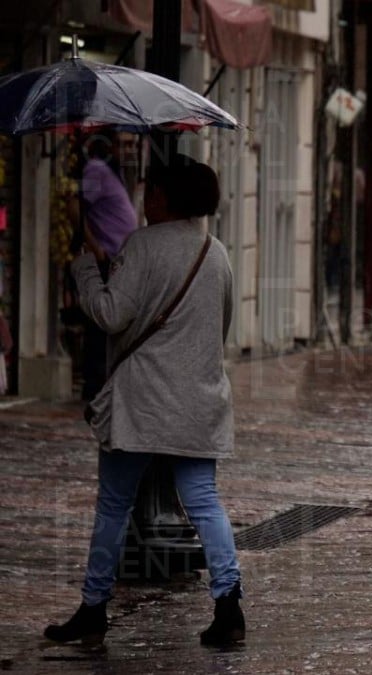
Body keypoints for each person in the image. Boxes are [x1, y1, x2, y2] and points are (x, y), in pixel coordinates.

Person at [45, 158, 245, 649]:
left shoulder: (142, 245)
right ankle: (229, 604)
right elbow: (220, 327)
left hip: (139, 406)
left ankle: (93, 608)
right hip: (198, 401)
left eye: (149, 191)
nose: (144, 199)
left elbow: (111, 315)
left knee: (114, 505)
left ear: (163, 197)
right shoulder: (215, 252)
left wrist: (86, 272)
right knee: (203, 501)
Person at [76, 131, 138, 402]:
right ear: (109, 144)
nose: (128, 150)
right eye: (123, 143)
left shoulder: (117, 174)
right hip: (105, 259)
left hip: (118, 261)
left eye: (132, 144)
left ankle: (103, 381)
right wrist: (94, 246)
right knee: (99, 324)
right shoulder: (97, 169)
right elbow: (75, 207)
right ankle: (94, 385)